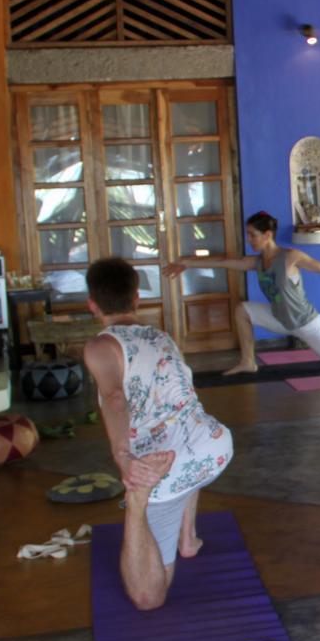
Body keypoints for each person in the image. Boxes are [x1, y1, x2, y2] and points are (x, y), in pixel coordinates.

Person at [83, 258, 233, 610]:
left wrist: (125, 463)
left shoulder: (100, 347)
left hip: (167, 467)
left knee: (148, 598)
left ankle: (137, 504)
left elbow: (114, 399)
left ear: (92, 305)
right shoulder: (161, 335)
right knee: (182, 448)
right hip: (216, 445)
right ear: (137, 298)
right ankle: (188, 539)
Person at [162, 211, 320, 376]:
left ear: (267, 235)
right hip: (279, 318)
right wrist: (186, 263)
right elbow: (224, 262)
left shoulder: (291, 257)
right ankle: (248, 361)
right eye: (248, 234)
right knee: (243, 310)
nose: (249, 239)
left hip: (305, 322)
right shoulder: (256, 262)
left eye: (253, 235)